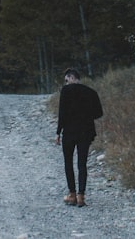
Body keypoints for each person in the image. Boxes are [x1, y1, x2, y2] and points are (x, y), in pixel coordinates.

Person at [55, 67, 104, 208]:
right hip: (85, 132)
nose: (65, 83)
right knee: (82, 164)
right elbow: (99, 113)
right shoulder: (91, 92)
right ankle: (81, 196)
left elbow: (62, 113)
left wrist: (58, 132)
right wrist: (86, 115)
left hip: (69, 132)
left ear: (71, 77)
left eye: (66, 80)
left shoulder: (66, 91)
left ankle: (72, 194)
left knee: (68, 162)